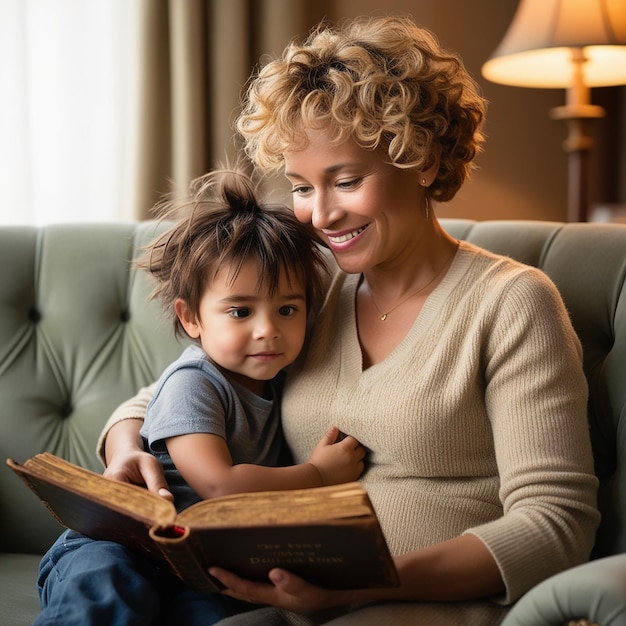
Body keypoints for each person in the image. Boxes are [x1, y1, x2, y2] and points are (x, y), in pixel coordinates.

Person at [63, 14, 601, 625]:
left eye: (345, 181)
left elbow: (556, 523)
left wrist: (363, 586)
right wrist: (127, 449)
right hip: (284, 596)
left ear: (419, 159)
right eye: (300, 186)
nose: (319, 216)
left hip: (421, 604)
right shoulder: (309, 293)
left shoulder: (512, 303)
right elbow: (172, 391)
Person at [34, 168, 365, 625]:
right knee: (106, 596)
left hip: (198, 567)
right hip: (117, 542)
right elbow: (218, 485)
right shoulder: (194, 382)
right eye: (240, 311)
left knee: (213, 615)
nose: (268, 329)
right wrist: (317, 474)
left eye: (287, 309)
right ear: (191, 318)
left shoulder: (284, 380)